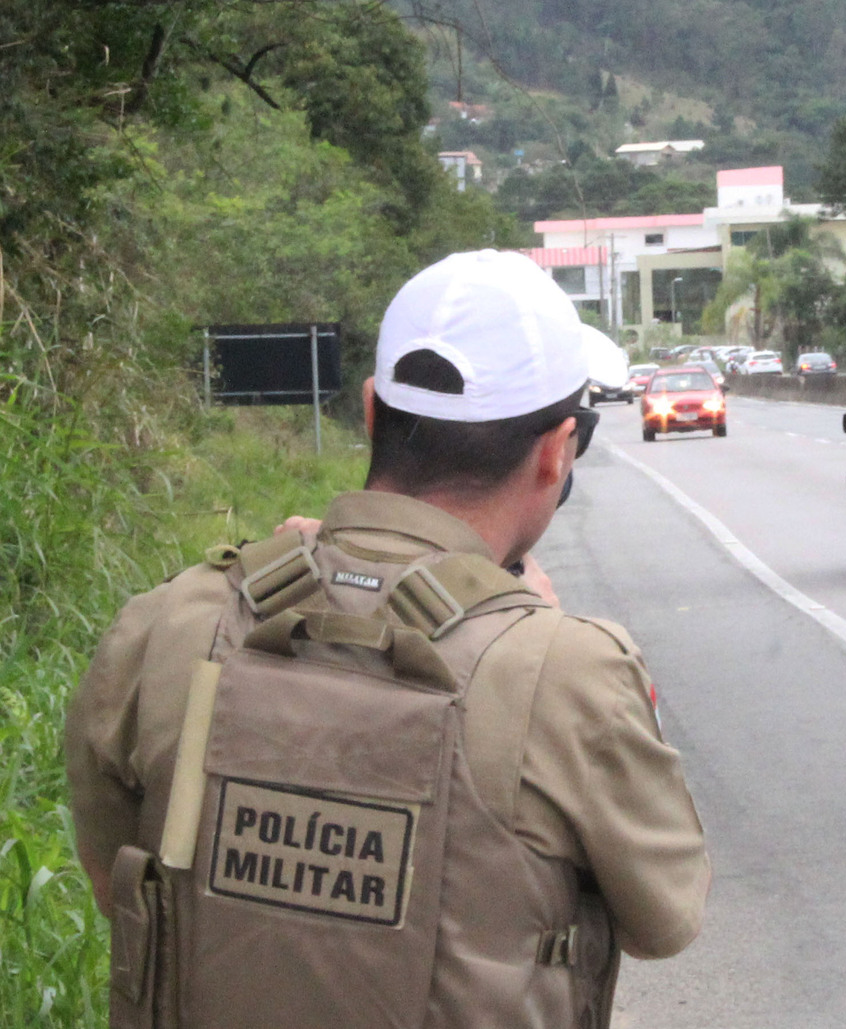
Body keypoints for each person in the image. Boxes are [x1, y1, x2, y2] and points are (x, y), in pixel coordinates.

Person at [65, 250, 709, 1029]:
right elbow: (665, 917)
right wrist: (535, 628)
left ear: (371, 411)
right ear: (556, 451)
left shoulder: (170, 620)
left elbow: (115, 889)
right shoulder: (568, 670)